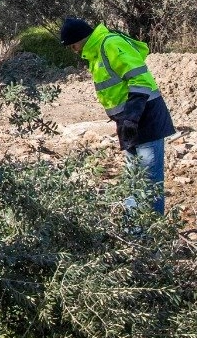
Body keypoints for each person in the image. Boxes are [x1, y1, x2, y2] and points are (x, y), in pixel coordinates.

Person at [61, 17, 176, 213]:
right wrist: (126, 121)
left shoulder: (111, 44)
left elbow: (140, 80)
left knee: (150, 182)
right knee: (133, 179)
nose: (75, 50)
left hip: (146, 119)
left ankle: (154, 238)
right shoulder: (96, 53)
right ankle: (132, 231)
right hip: (128, 122)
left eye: (73, 45)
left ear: (82, 39)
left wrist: (131, 117)